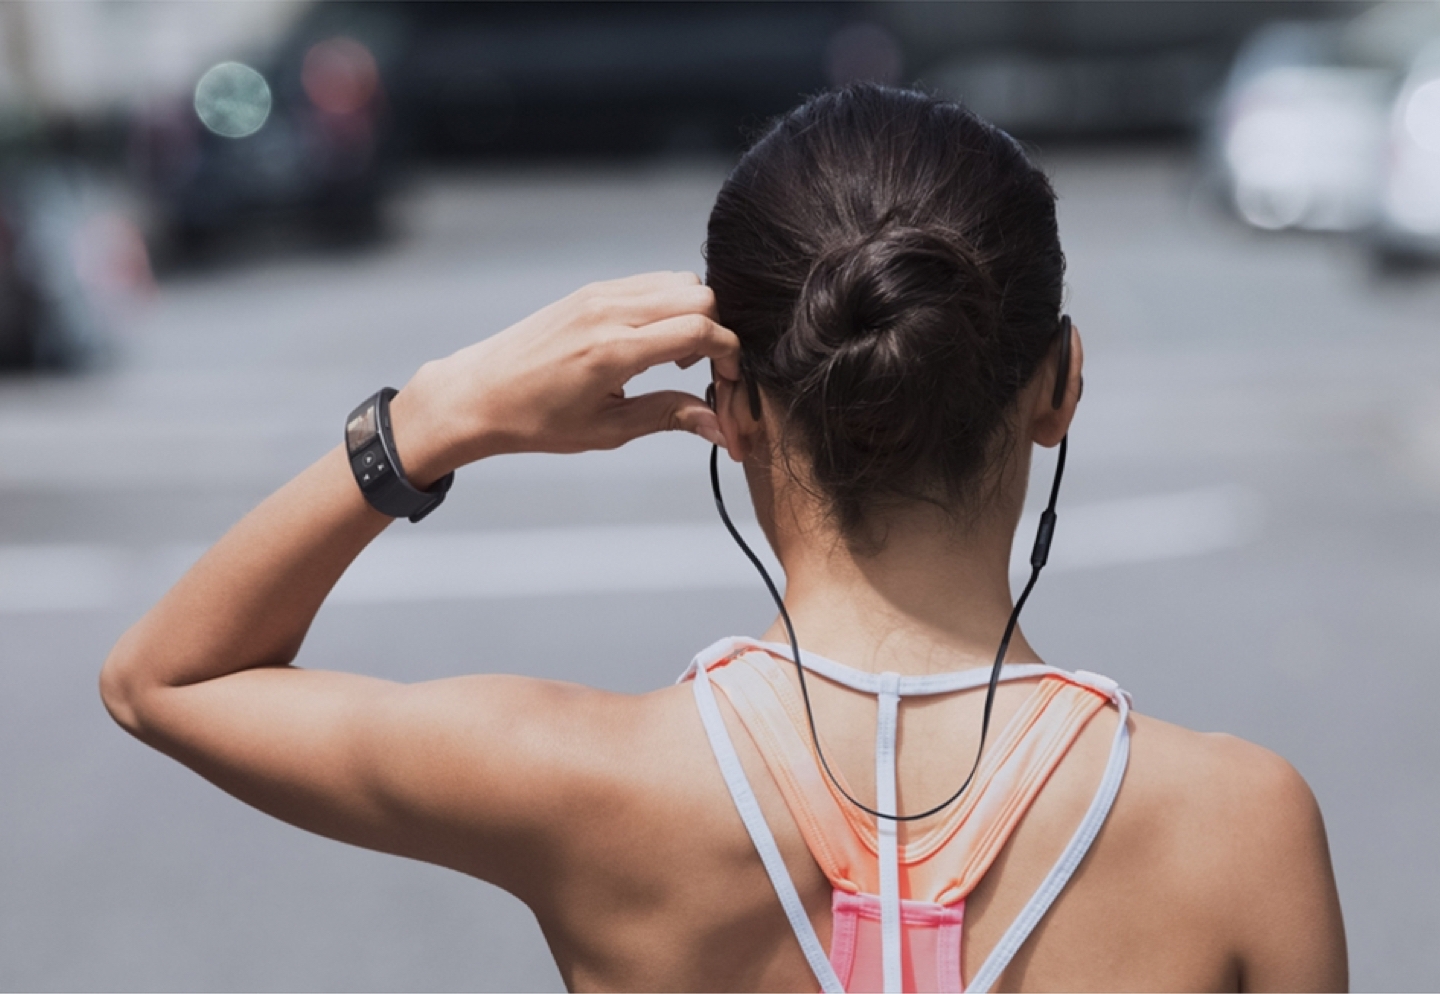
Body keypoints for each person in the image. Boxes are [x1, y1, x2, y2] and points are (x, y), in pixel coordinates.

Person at [100, 85, 1346, 992]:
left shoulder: (581, 782)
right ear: (1060, 385)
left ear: (733, 410)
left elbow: (164, 679)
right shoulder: (1239, 826)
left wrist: (437, 417)